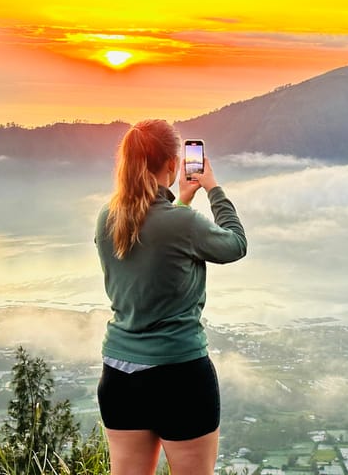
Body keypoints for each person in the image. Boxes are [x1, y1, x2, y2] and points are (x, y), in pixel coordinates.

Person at [94, 119, 248, 475]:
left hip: (120, 377)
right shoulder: (183, 224)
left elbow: (154, 239)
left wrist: (182, 200)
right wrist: (213, 188)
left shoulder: (108, 217)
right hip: (179, 377)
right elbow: (235, 244)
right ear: (170, 164)